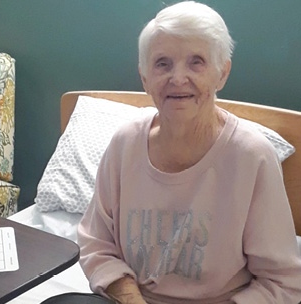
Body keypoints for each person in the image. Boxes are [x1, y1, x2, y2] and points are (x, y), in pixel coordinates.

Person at [77, 1, 301, 303]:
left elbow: (282, 282)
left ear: (222, 73)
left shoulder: (252, 156)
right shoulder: (124, 143)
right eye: (162, 64)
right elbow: (96, 243)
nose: (178, 78)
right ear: (144, 77)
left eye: (197, 62)